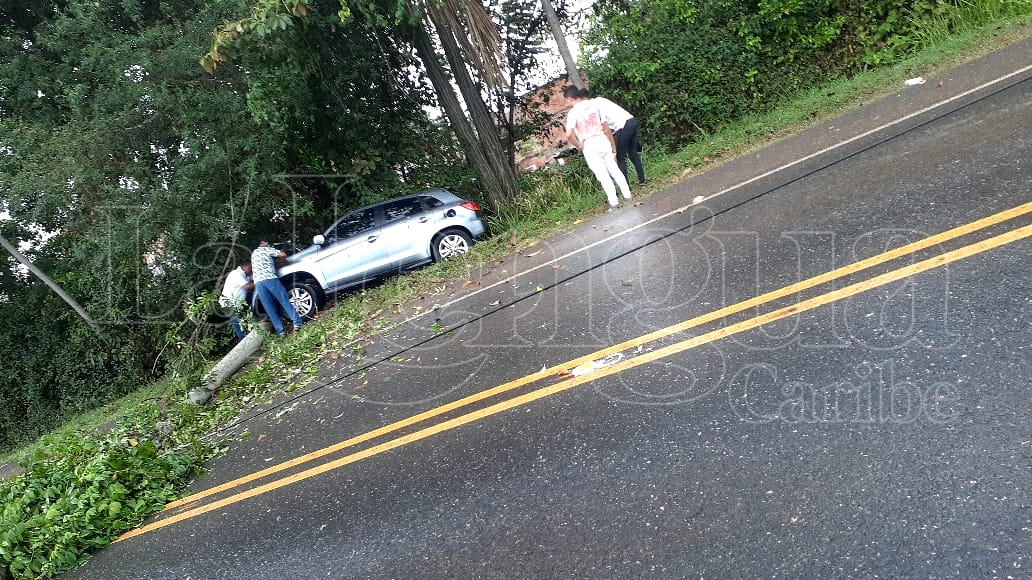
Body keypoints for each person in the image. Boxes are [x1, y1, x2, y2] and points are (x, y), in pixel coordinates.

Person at [563, 86, 632, 210]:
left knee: (602, 175)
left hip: (589, 144)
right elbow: (605, 126)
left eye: (567, 101)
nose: (567, 104)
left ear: (570, 98)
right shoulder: (595, 105)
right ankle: (627, 195)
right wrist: (613, 146)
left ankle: (614, 202)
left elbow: (569, 134)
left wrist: (578, 144)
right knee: (614, 169)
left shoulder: (573, 112)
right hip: (602, 139)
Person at [251, 241, 303, 336]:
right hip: (270, 279)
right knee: (283, 300)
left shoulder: (254, 253)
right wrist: (282, 260)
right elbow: (282, 254)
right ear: (263, 243)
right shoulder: (267, 250)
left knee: (269, 308)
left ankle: (281, 332)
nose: (268, 244)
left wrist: (274, 261)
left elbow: (264, 263)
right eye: (267, 242)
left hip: (258, 283)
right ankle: (297, 322)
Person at [593, 95, 647, 185]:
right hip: (631, 120)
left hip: (623, 126)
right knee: (633, 153)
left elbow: (606, 129)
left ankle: (626, 186)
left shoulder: (593, 108)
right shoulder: (600, 100)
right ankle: (642, 180)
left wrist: (613, 147)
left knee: (620, 158)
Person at [219, 260, 254, 340]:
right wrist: (259, 283)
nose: (252, 270)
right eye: (251, 268)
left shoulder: (247, 274)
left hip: (240, 301)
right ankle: (245, 343)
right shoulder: (236, 274)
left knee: (250, 313)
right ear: (245, 266)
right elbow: (247, 286)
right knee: (238, 323)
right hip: (229, 304)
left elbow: (252, 281)